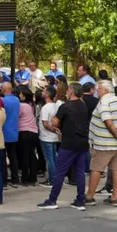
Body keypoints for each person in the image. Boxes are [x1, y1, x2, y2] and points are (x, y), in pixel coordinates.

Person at [37, 83, 91, 211]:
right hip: (82, 142)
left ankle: (52, 199)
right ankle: (80, 199)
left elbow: (55, 121)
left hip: (69, 142)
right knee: (80, 172)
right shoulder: (83, 106)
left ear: (71, 91)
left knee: (60, 171)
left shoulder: (65, 106)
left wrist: (58, 124)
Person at [86, 80, 117, 206]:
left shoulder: (104, 102)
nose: (97, 91)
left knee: (96, 169)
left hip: (104, 143)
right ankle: (114, 197)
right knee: (116, 169)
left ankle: (90, 196)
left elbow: (108, 121)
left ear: (105, 90)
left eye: (99, 89)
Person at [37, 85, 62, 187]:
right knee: (54, 157)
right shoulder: (55, 106)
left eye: (44, 91)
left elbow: (45, 123)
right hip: (53, 137)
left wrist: (53, 130)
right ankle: (57, 178)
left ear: (47, 94)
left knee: (49, 159)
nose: (42, 93)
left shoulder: (45, 108)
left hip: (46, 137)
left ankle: (52, 180)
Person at [16, 86, 39, 185]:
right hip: (34, 131)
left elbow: (16, 116)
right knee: (32, 155)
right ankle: (33, 178)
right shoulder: (32, 105)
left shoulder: (21, 106)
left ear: (24, 96)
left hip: (24, 131)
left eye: (20, 94)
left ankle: (25, 178)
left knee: (25, 156)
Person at [0, 82, 21, 187]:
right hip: (14, 130)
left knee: (2, 156)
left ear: (3, 89)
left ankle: (4, 179)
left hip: (3, 131)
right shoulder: (17, 100)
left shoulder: (2, 101)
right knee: (13, 156)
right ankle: (15, 177)